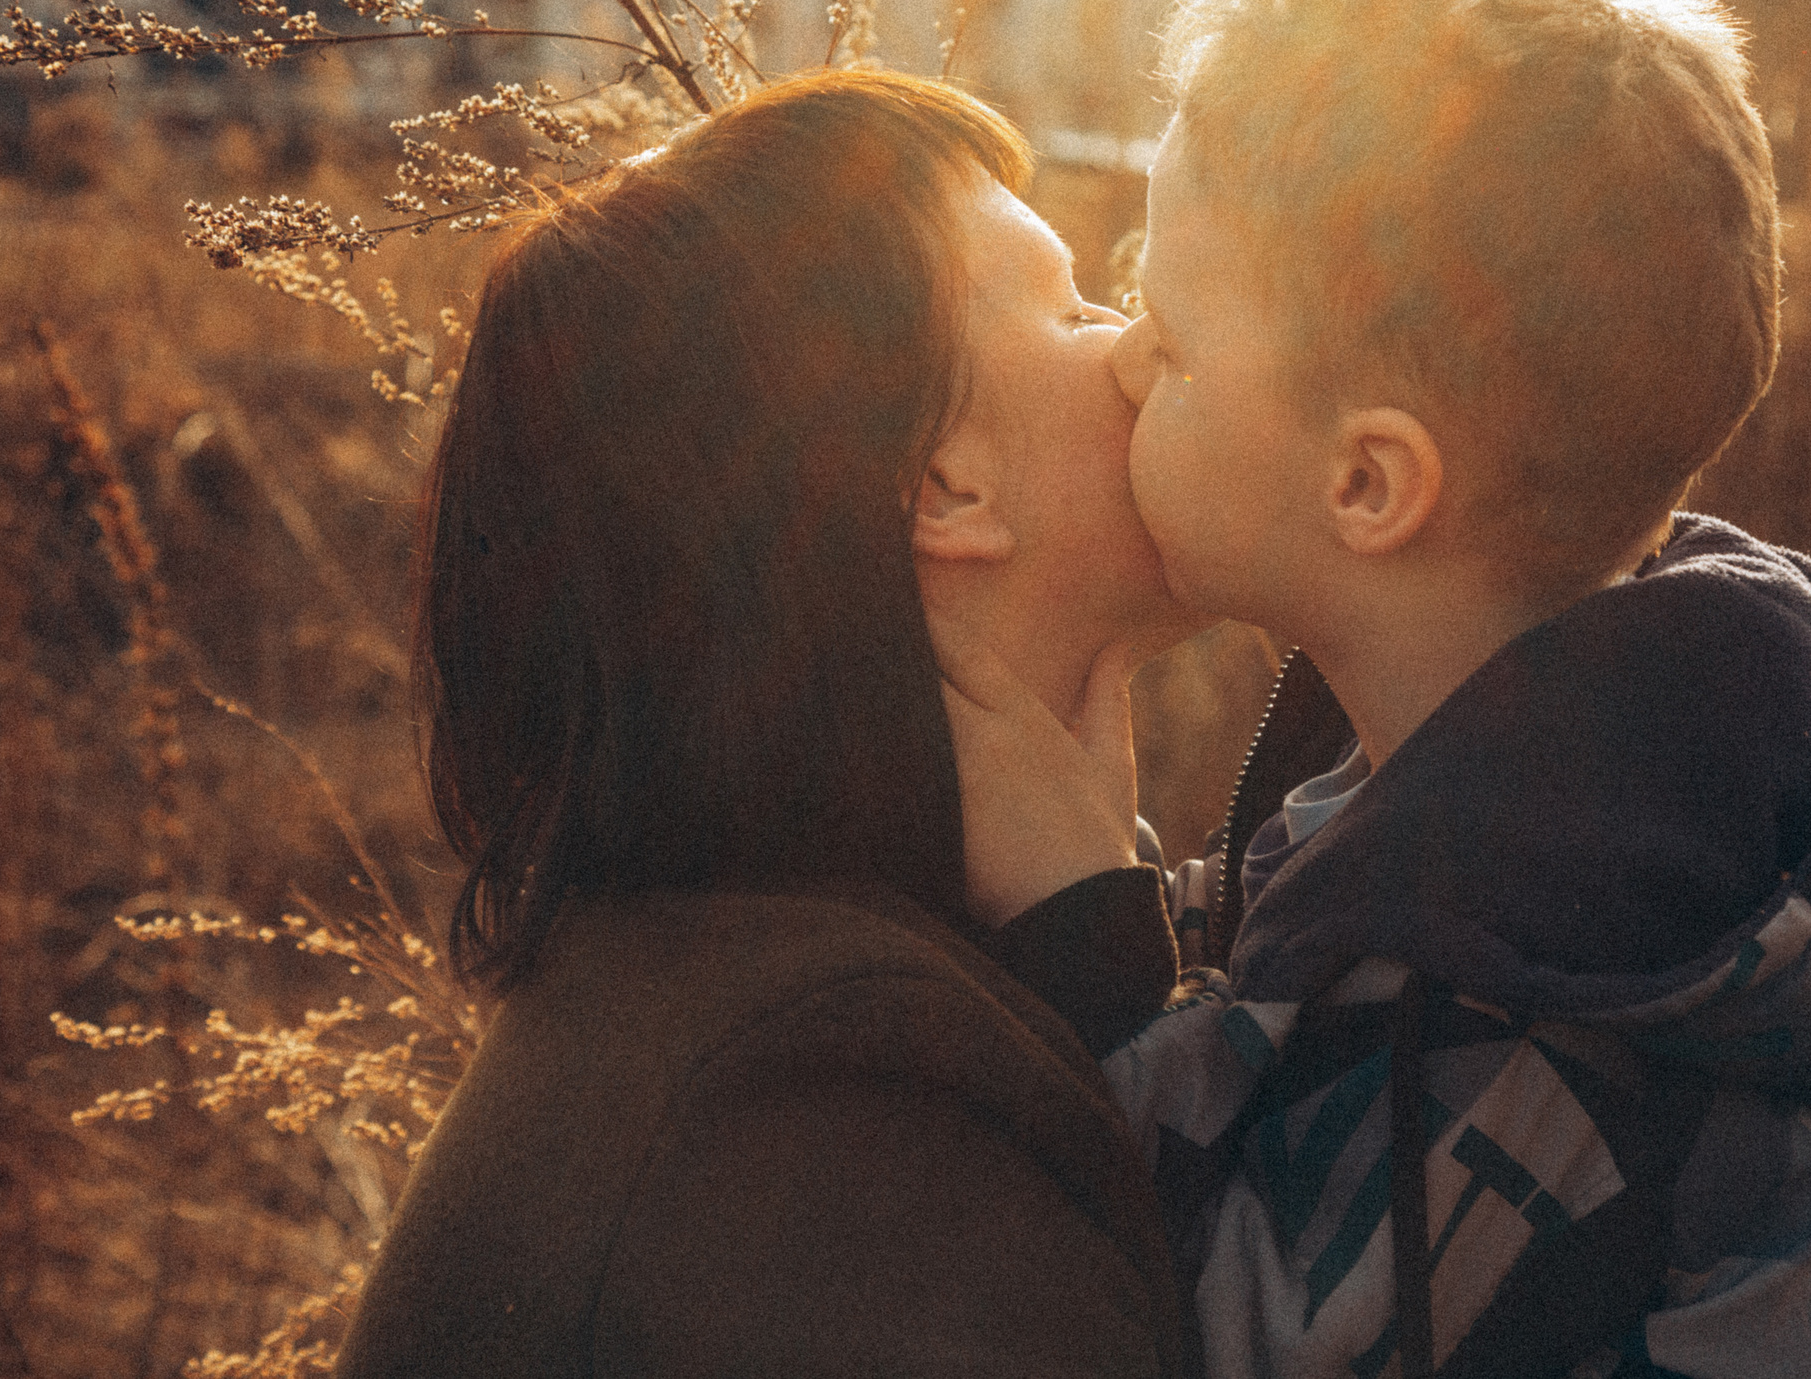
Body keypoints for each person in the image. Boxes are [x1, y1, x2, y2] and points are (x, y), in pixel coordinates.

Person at [951, 0, 1811, 1379]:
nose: (1123, 361)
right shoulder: (1613, 805)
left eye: (1169, 333)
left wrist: (1086, 945)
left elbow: (1182, 1319)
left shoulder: (1531, 1007)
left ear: (1369, 482)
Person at [335, 68, 1192, 1378]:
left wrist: (1096, 958)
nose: (1142, 344)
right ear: (944, 487)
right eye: (1077, 309)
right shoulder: (826, 1095)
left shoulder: (776, 985)